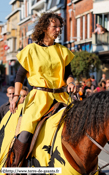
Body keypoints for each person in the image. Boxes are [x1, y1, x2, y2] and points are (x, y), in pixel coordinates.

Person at [9, 12, 76, 167]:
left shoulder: (62, 50)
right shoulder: (31, 50)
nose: (58, 29)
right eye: (55, 26)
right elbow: (20, 76)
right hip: (39, 97)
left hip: (62, 97)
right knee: (25, 133)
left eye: (60, 26)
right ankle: (15, 166)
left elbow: (68, 74)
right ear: (45, 28)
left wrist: (71, 82)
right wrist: (16, 96)